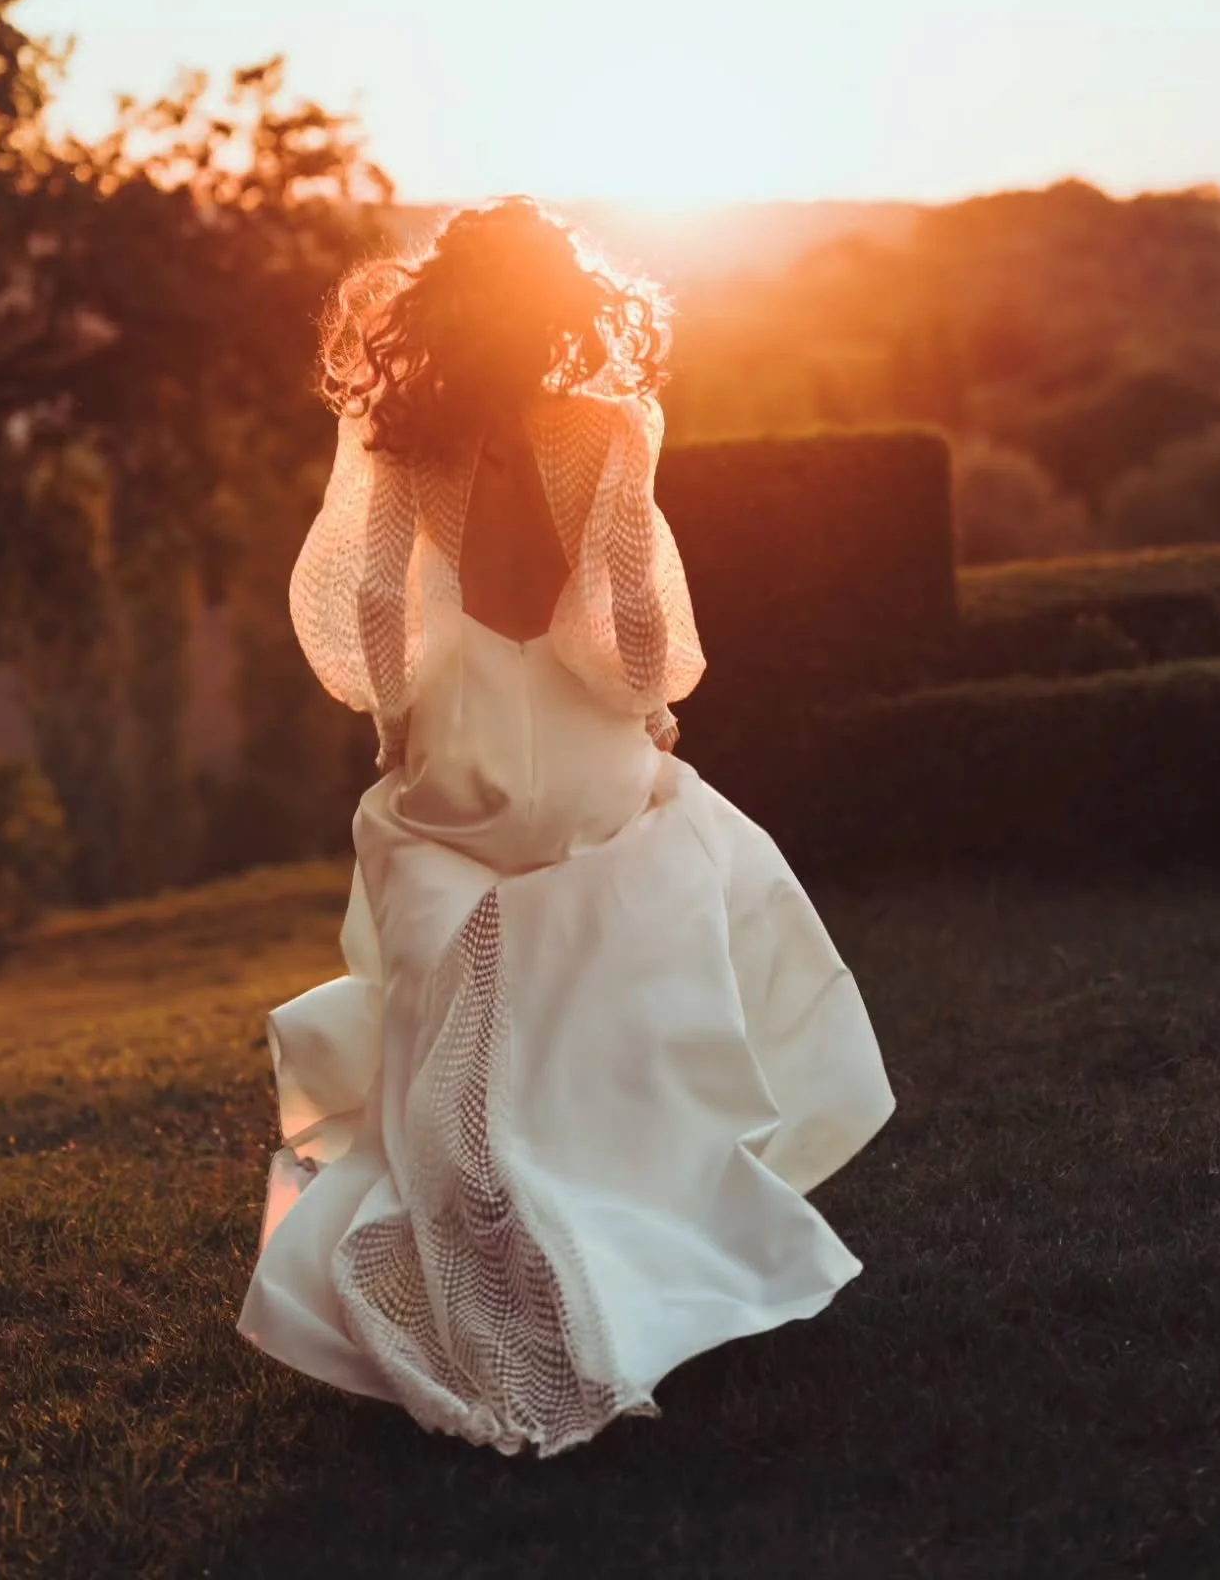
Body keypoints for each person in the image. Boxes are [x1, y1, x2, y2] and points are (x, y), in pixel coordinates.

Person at [237, 197, 895, 1458]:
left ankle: (502, 1184)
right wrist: (650, 719)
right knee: (686, 844)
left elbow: (379, 605)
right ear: (561, 312)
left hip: (464, 743)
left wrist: (394, 737)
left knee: (447, 878)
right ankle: (652, 1178)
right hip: (583, 746)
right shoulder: (604, 427)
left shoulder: (401, 439)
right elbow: (635, 609)